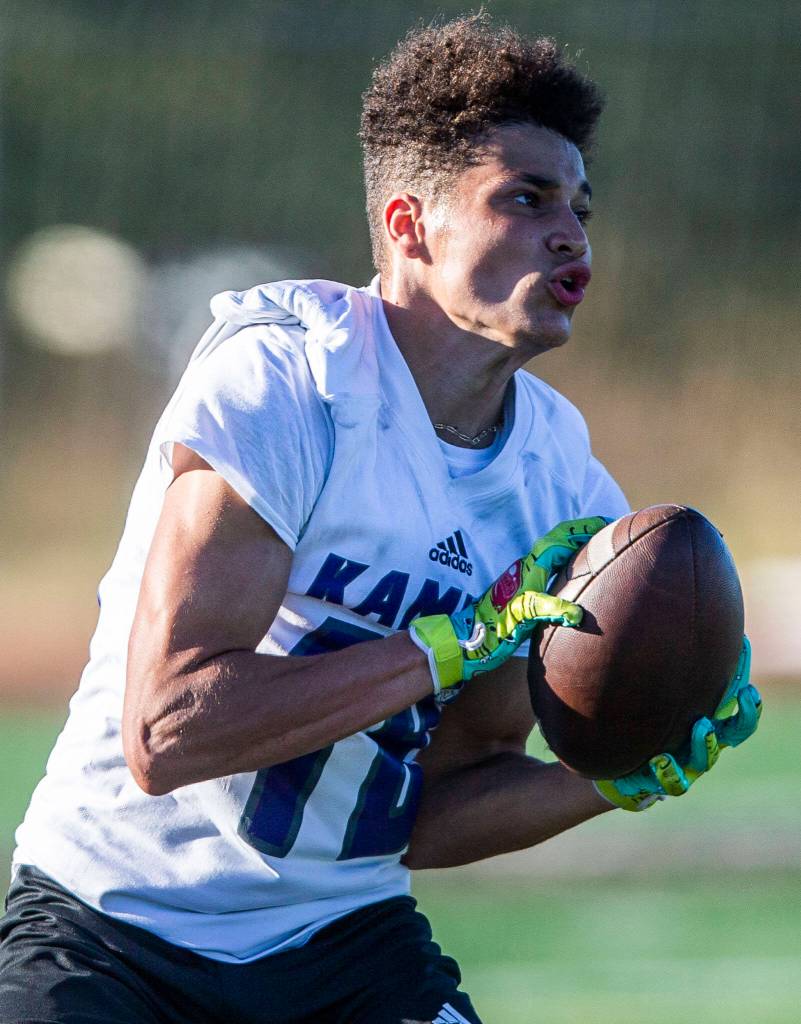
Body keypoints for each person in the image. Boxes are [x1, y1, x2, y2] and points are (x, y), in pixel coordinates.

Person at [0, 14, 760, 1024]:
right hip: (114, 925)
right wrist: (450, 645)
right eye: (525, 200)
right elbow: (167, 728)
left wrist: (618, 778)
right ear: (409, 227)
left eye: (579, 204)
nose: (572, 232)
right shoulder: (287, 379)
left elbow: (433, 815)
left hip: (341, 943)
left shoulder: (565, 489)